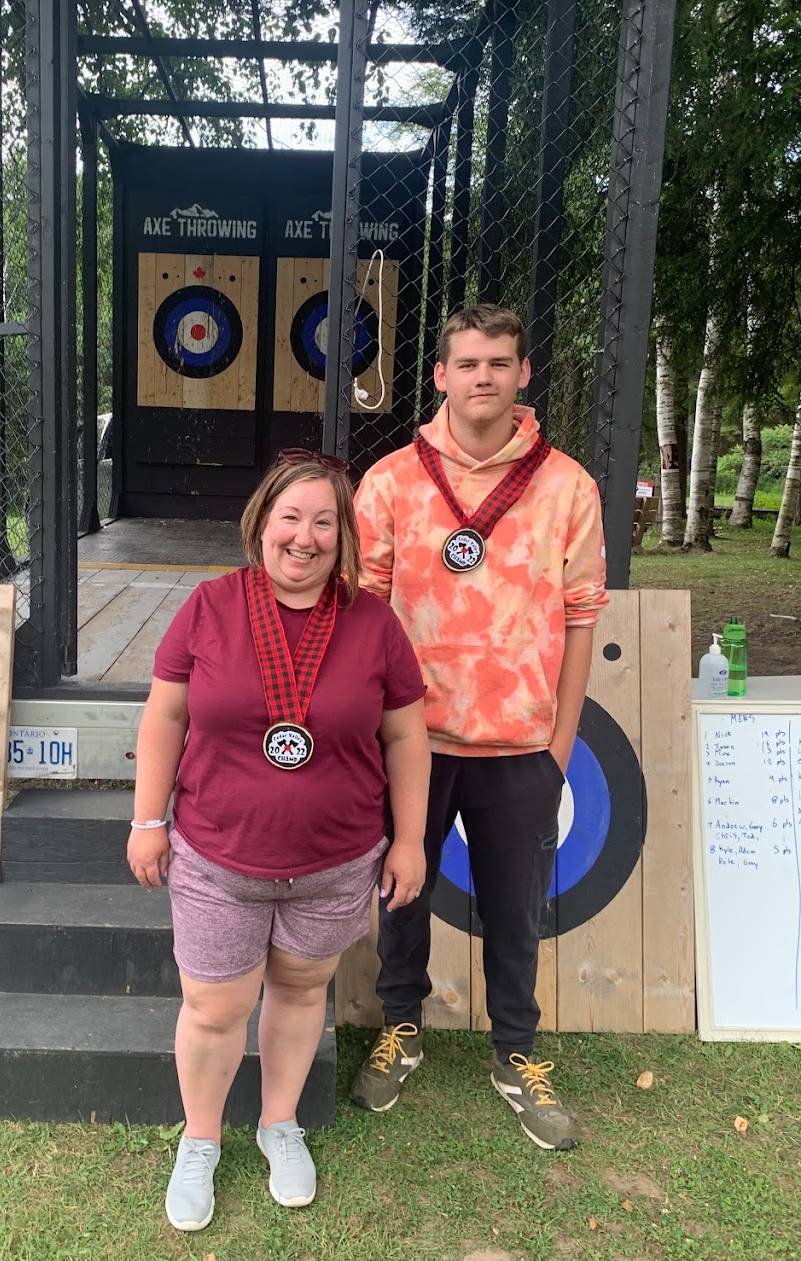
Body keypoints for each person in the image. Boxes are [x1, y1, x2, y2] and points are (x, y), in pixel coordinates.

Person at [127, 449, 430, 1231]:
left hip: (335, 862)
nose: (305, 536)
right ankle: (200, 1139)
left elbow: (405, 736)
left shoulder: (372, 620)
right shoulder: (211, 606)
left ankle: (278, 1122)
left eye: (324, 521)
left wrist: (410, 841)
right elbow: (164, 716)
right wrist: (147, 818)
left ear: (344, 536)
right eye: (290, 517)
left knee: (300, 993)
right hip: (218, 855)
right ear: (261, 523)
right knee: (214, 1005)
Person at [349, 304, 607, 1151]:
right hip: (413, 739)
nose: (483, 377)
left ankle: (514, 1053)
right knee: (403, 892)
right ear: (440, 377)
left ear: (523, 373)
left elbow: (579, 622)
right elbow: (365, 615)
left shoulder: (567, 485)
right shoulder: (390, 481)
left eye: (499, 361)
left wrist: (559, 746)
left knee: (515, 907)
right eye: (467, 363)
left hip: (521, 743)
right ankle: (401, 1026)